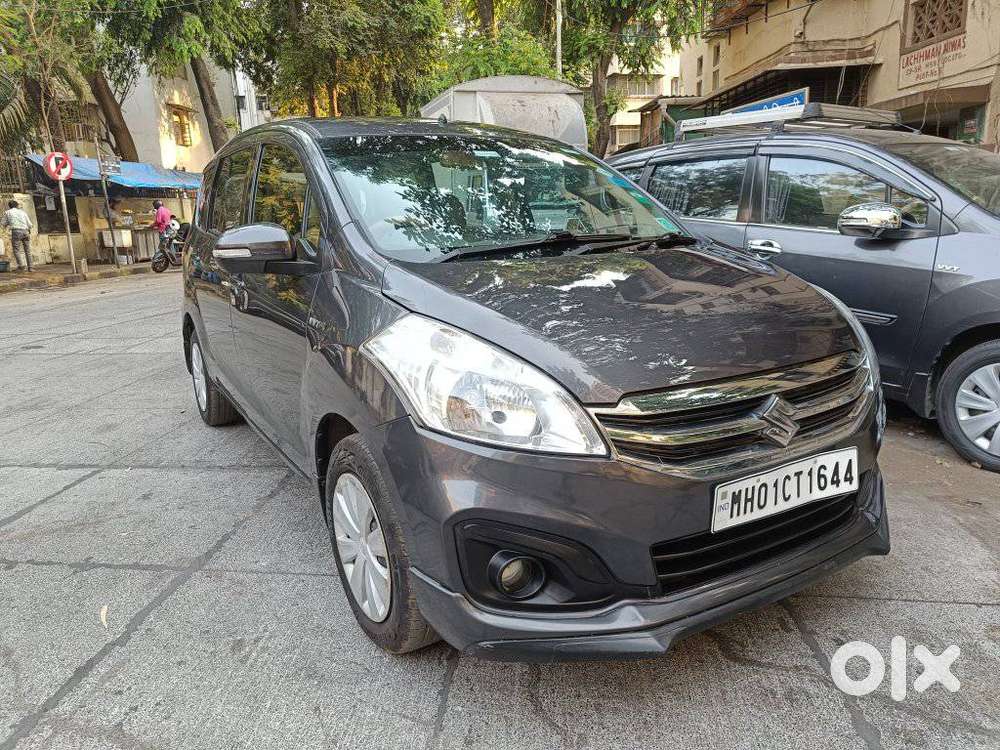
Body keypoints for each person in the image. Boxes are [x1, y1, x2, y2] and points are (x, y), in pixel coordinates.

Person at [1, 199, 33, 272]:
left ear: (9, 206)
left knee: (16, 250)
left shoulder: (8, 212)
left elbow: (3, 223)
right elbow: (30, 224)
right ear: (17, 206)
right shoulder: (23, 212)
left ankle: (21, 266)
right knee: (27, 250)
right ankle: (30, 268)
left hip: (16, 232)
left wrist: (8, 224)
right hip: (26, 231)